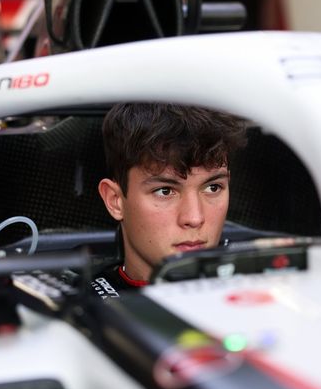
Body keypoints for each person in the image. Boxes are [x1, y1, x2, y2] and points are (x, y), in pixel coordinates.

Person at [92, 102, 247, 299]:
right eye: (165, 191)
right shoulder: (77, 307)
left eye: (213, 188)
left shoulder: (268, 290)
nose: (194, 218)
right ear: (115, 200)